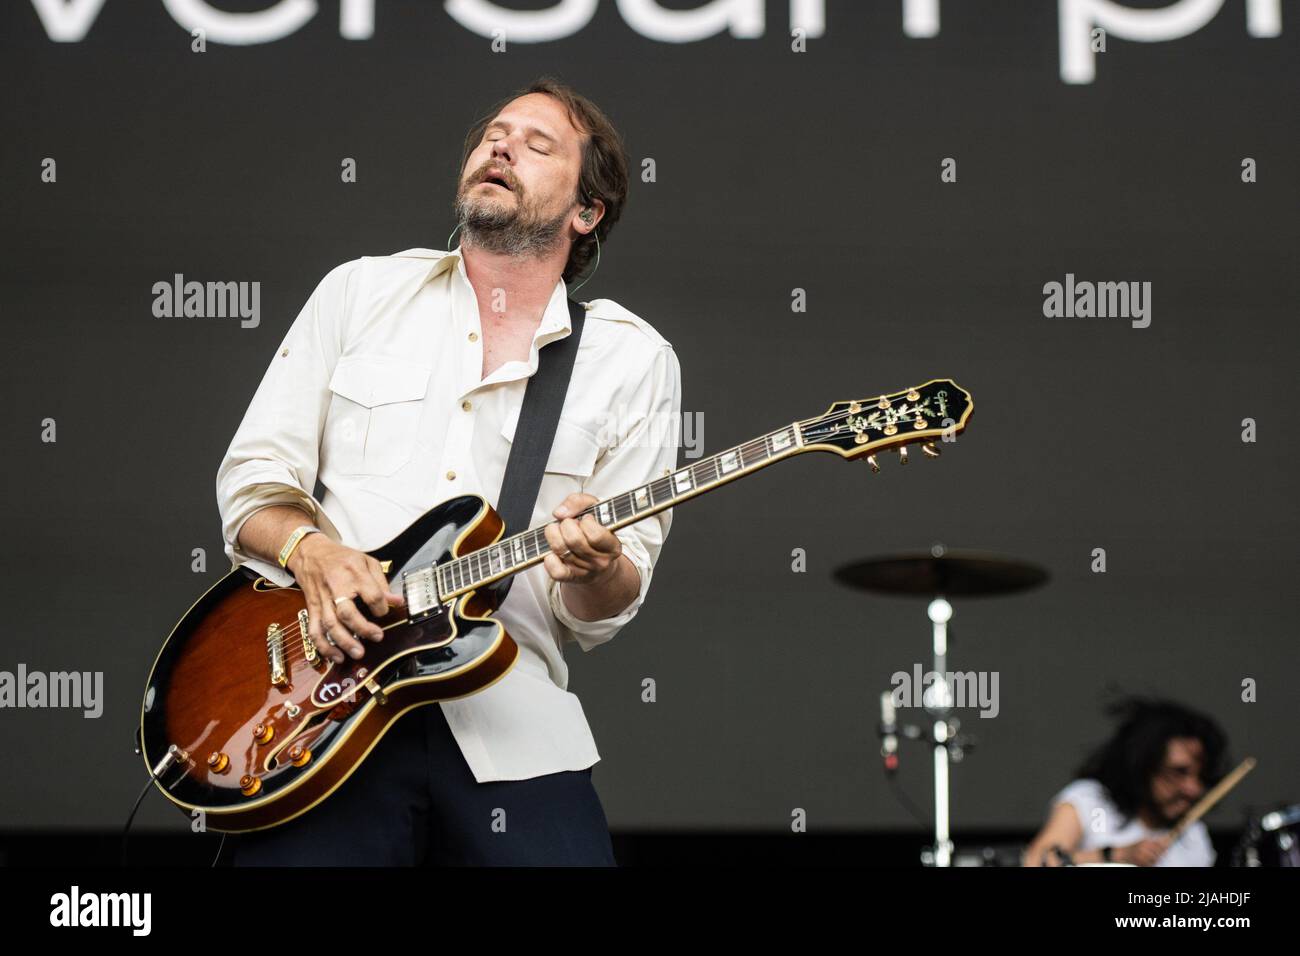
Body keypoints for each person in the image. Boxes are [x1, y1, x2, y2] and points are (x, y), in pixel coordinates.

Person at [215, 77, 682, 865]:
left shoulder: (632, 361)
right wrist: (316, 554)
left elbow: (603, 607)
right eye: (494, 134)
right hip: (320, 715)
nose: (501, 146)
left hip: (512, 728)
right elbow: (254, 479)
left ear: (586, 211)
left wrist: (596, 566)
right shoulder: (360, 292)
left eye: (538, 145)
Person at [1022, 697, 1227, 866]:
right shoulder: (1090, 801)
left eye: (1201, 776)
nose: (1193, 789)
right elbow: (1036, 861)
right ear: (1143, 765)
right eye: (1179, 772)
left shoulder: (1193, 833)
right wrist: (1115, 855)